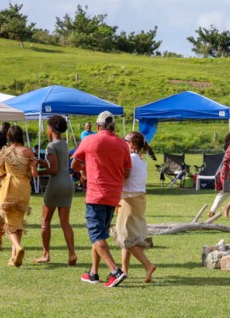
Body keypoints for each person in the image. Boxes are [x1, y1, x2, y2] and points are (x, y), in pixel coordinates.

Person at [72, 111, 132, 287]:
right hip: (113, 195)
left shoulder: (89, 140)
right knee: (100, 234)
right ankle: (93, 273)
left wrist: (85, 169)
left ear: (98, 126)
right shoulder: (122, 144)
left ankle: (115, 271)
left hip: (96, 193)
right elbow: (127, 172)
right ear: (113, 127)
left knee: (96, 234)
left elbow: (74, 164)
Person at [34, 115, 77, 265]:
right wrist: (41, 162)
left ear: (51, 128)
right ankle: (72, 253)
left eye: (47, 127)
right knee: (65, 223)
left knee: (45, 221)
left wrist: (38, 172)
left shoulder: (51, 146)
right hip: (68, 184)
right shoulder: (64, 144)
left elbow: (53, 169)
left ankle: (46, 254)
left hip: (56, 185)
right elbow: (58, 164)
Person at [114, 132, 156, 283]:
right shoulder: (141, 159)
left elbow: (122, 175)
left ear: (131, 144)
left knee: (125, 236)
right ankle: (124, 270)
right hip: (138, 198)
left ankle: (148, 265)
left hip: (129, 199)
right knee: (128, 236)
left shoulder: (131, 158)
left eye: (125, 141)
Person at [0, 125, 38, 267]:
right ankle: (13, 257)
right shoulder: (28, 151)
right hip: (23, 188)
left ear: (9, 136)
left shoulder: (5, 151)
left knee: (8, 222)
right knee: (18, 222)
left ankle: (18, 247)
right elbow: (34, 174)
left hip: (9, 187)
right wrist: (33, 165)